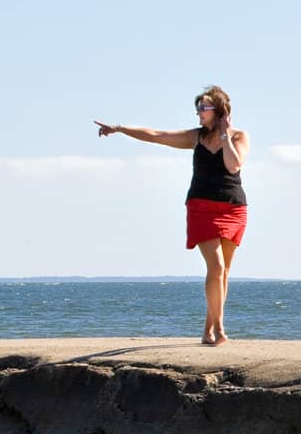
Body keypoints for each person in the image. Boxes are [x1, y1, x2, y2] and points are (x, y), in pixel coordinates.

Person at [94, 86, 249, 345]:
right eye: (198, 107)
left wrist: (224, 134)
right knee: (217, 266)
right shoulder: (195, 137)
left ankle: (207, 330)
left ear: (219, 112)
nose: (198, 112)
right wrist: (120, 128)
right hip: (201, 207)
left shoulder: (238, 137)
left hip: (232, 208)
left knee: (223, 273)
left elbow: (233, 165)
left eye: (204, 108)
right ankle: (220, 329)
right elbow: (157, 135)